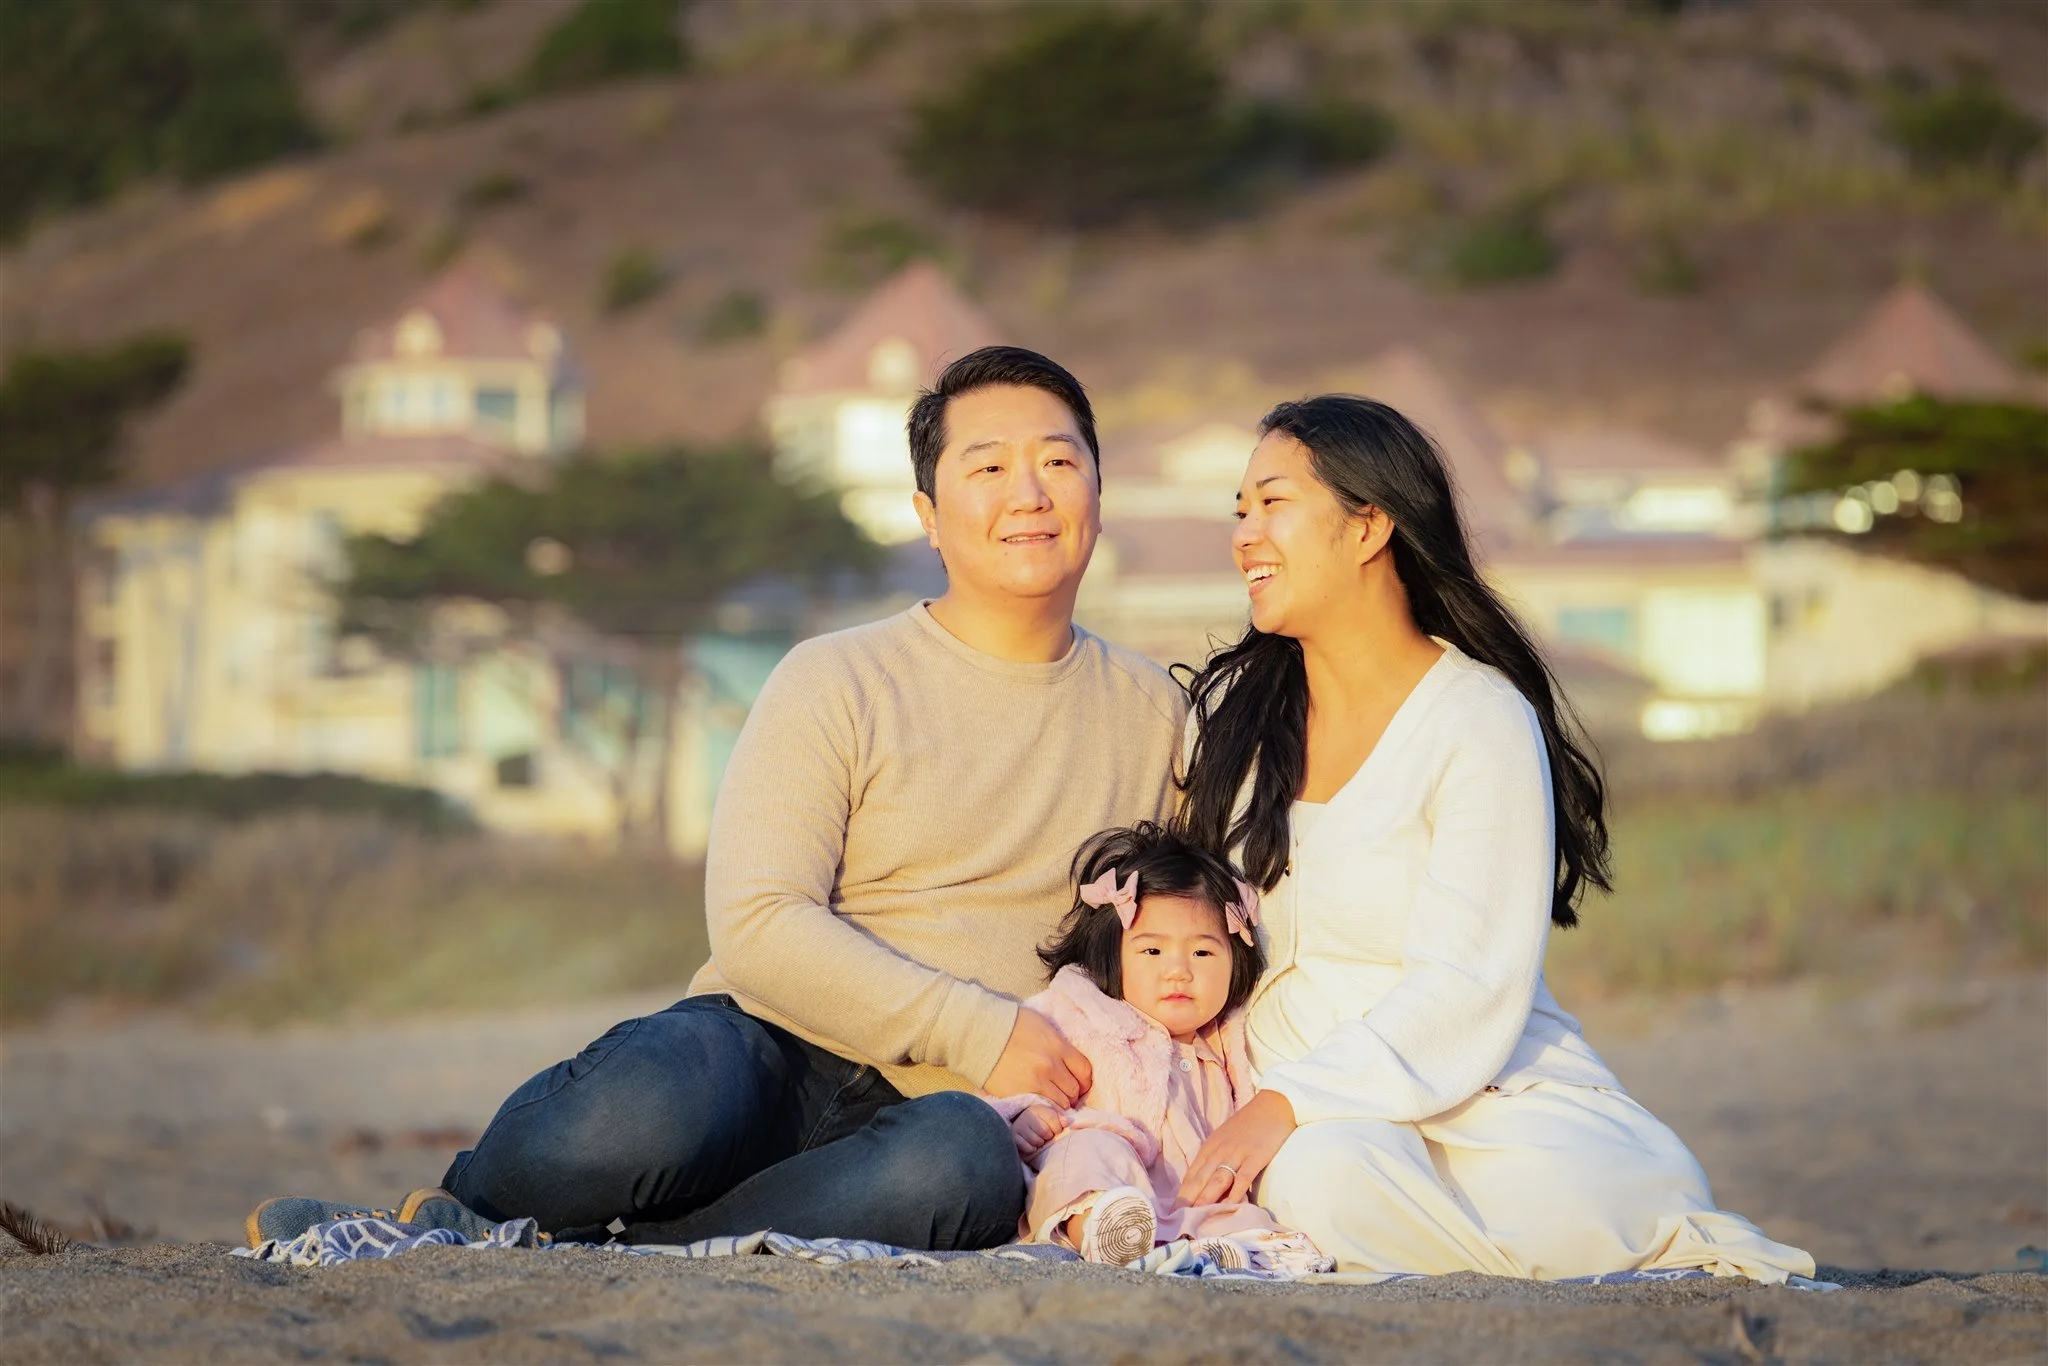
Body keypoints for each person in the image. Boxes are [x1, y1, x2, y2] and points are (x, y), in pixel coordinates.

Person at [245, 347, 1186, 1251]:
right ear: (929, 515)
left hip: (959, 1110)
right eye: (988, 467)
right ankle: (466, 1208)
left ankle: (639, 1247)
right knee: (651, 1104)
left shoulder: (1158, 716)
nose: (1029, 493)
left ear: (1098, 496)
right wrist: (979, 1026)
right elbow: (758, 921)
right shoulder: (837, 677)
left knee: (962, 1168)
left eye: (1059, 462)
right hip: (766, 1050)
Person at [1170, 394, 1817, 1282]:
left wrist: (1288, 1099)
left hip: (1484, 1091)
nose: (1246, 534)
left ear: (1370, 527)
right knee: (1323, 1181)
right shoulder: (1231, 727)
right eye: (1240, 511)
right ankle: (1502, 1275)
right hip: (1318, 1125)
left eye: (1273, 504)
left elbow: (1468, 982)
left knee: (1603, 1195)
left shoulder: (1477, 719)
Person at [987, 823, 1327, 1273]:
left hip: (1190, 1198)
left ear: (1235, 961)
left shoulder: (1231, 1038)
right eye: (1152, 952)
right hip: (1107, 1177)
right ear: (1113, 954)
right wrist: (1025, 1114)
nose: (1178, 972)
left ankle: (1237, 1254)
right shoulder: (1083, 1011)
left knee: (1237, 1207)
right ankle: (1102, 1231)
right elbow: (1008, 1078)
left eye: (1203, 954)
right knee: (1089, 1154)